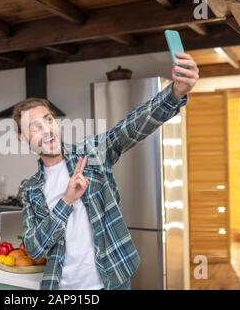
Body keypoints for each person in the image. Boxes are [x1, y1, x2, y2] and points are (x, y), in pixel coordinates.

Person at [13, 53, 198, 290]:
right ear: (22, 138)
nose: (47, 130)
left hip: (112, 281)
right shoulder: (30, 189)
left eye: (48, 120)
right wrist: (67, 200)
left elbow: (130, 128)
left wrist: (175, 94)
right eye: (35, 127)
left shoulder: (90, 154)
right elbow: (34, 248)